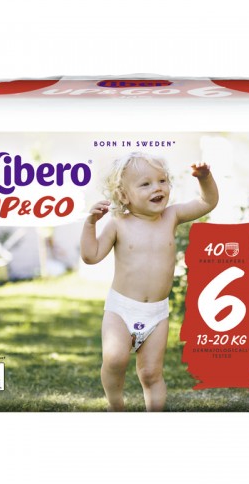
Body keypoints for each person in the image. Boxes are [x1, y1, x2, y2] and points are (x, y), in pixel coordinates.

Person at [80, 152, 219, 411]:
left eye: (162, 181)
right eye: (145, 184)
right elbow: (91, 256)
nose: (157, 188)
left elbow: (207, 201)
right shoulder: (118, 224)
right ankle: (115, 404)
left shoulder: (171, 216)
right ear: (123, 195)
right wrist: (90, 224)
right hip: (121, 310)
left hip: (156, 313)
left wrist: (205, 178)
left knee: (151, 373)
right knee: (115, 360)